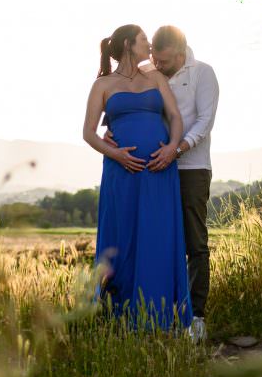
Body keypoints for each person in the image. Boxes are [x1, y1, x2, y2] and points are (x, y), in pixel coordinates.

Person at [106, 25, 218, 341]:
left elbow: (204, 122)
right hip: (152, 170)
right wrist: (111, 132)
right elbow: (126, 108)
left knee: (194, 243)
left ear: (181, 54)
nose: (157, 63)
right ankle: (153, 311)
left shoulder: (203, 74)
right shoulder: (146, 71)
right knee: (154, 241)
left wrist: (176, 149)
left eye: (165, 60)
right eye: (154, 55)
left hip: (190, 168)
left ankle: (195, 317)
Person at [82, 24, 193, 330]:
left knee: (158, 235)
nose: (150, 45)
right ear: (130, 44)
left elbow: (175, 117)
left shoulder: (155, 78)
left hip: (159, 170)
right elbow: (88, 133)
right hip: (122, 172)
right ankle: (116, 312)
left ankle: (156, 315)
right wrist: (115, 153)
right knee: (122, 235)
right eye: (145, 40)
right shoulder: (103, 84)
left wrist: (171, 148)